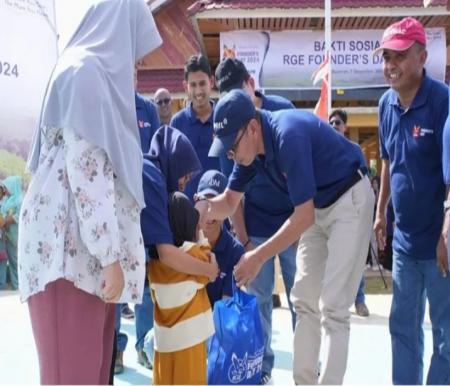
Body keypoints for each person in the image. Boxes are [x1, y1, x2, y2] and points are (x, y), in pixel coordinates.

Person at [17, 1, 162, 383]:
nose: (137, 63)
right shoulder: (86, 73)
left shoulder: (92, 76)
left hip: (86, 262)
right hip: (71, 259)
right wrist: (111, 258)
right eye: (135, 46)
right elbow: (88, 176)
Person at [196, 89, 374, 385]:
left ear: (252, 128)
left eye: (231, 147)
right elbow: (228, 202)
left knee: (333, 307)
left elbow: (302, 216)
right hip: (319, 207)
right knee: (304, 299)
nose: (230, 155)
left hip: (349, 199)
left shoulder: (287, 134)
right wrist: (202, 206)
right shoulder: (250, 150)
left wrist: (257, 255)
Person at [373, 17, 450, 384]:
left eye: (400, 55)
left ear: (422, 56)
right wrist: (380, 213)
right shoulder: (385, 104)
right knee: (402, 330)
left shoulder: (443, 102)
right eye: (387, 56)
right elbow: (387, 160)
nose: (391, 65)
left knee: (447, 335)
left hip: (441, 245)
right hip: (404, 243)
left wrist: (446, 234)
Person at [215, 57, 296, 384]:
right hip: (257, 227)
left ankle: (307, 364)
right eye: (224, 95)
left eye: (235, 91)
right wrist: (246, 241)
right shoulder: (227, 127)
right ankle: (261, 369)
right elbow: (232, 198)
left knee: (300, 298)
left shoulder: (281, 111)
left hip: (294, 223)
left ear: (250, 83)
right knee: (260, 301)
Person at [141, 125, 219, 384]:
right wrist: (209, 270)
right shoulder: (151, 178)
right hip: (189, 341)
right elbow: (169, 254)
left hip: (165, 341)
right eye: (184, 176)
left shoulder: (154, 270)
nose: (184, 182)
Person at [150, 191, 214, 385]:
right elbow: (210, 263)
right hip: (190, 341)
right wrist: (199, 233)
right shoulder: (193, 255)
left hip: (163, 342)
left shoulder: (154, 264)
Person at [329, 109, 370, 318]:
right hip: (329, 215)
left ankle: (359, 300)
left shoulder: (355, 150)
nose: (334, 125)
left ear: (345, 127)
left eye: (337, 122)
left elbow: (364, 181)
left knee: (355, 259)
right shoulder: (324, 150)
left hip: (352, 214)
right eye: (331, 123)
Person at [170, 54, 220, 201]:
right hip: (188, 211)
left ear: (211, 82)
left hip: (221, 208)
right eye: (193, 85)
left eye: (202, 83)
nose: (198, 91)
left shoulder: (224, 119)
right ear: (185, 86)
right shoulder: (177, 123)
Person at [194, 170, 244, 305]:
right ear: (195, 201)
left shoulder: (236, 251)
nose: (210, 212)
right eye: (206, 203)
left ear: (228, 208)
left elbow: (227, 305)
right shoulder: (184, 242)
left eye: (216, 205)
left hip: (218, 322)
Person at [0, 176, 22, 290]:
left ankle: (17, 286)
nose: (5, 190)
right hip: (5, 236)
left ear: (13, 187)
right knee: (4, 260)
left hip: (15, 235)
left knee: (14, 260)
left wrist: (9, 219)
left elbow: (20, 215)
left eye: (7, 187)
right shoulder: (7, 200)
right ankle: (6, 285)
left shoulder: (20, 200)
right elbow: (3, 212)